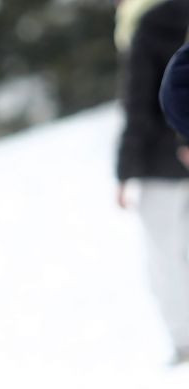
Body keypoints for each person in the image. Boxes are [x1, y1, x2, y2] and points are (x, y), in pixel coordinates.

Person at [117, 0, 189, 365]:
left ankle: (184, 342)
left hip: (161, 163)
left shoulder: (143, 27)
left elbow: (139, 104)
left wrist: (124, 171)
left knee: (165, 260)